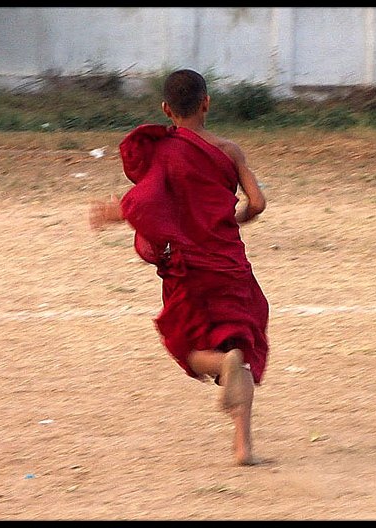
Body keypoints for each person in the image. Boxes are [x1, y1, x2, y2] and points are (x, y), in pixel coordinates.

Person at [89, 69, 269, 465]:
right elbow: (256, 202)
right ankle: (243, 446)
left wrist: (116, 213)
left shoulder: (166, 152)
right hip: (229, 263)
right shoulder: (229, 150)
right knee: (241, 339)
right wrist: (234, 221)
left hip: (189, 266)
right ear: (207, 103)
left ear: (166, 109)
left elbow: (147, 200)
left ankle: (222, 365)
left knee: (185, 344)